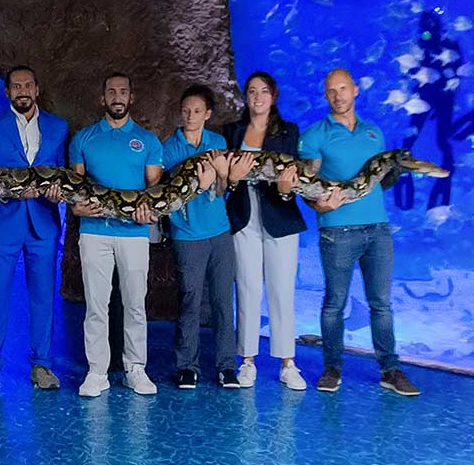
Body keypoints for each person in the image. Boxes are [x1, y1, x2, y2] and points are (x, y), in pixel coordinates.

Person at [298, 68, 420, 396]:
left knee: (381, 303)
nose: (338, 96)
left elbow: (383, 178)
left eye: (343, 89)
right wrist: (323, 207)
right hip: (337, 232)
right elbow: (308, 190)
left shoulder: (373, 134)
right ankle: (332, 367)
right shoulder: (313, 136)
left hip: (378, 229)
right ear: (326, 95)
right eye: (331, 91)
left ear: (355, 91)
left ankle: (390, 369)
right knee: (334, 303)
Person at [0, 65, 68, 391]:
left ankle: (42, 365)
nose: (22, 91)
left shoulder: (58, 127)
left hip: (43, 223)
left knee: (44, 297)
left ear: (37, 89)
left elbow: (63, 176)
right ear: (7, 92)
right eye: (16, 86)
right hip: (2, 223)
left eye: (28, 85)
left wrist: (58, 194)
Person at [68, 73, 163, 398]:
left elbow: (155, 192)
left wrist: (148, 211)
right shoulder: (83, 139)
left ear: (131, 97)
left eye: (123, 91)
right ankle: (97, 371)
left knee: (135, 304)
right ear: (102, 98)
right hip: (94, 233)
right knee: (96, 305)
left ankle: (135, 368)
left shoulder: (148, 141)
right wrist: (77, 209)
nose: (117, 96)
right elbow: (75, 192)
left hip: (135, 234)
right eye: (111, 91)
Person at [220, 72, 308, 391]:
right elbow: (225, 184)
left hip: (280, 217)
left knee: (282, 290)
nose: (257, 97)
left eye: (264, 91)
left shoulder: (289, 132)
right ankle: (247, 361)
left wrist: (285, 189)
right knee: (247, 288)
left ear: (274, 96)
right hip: (243, 217)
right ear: (245, 97)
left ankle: (288, 363)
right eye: (252, 91)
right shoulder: (232, 132)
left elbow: (294, 182)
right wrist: (233, 178)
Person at [162, 85, 239, 390]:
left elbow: (221, 191)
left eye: (196, 111)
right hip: (187, 234)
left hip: (219, 232)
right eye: (185, 110)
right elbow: (168, 197)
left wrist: (222, 177)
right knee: (190, 301)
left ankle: (226, 366)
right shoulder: (169, 149)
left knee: (223, 301)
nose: (190, 116)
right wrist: (201, 183)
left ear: (207, 114)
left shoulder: (217, 143)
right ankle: (186, 366)